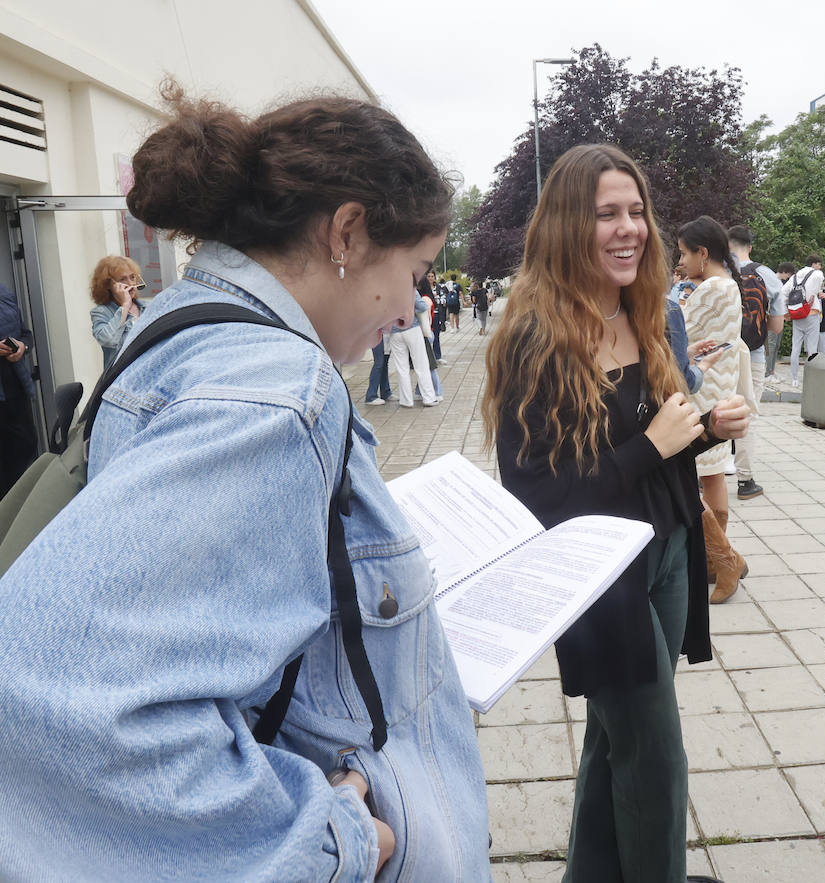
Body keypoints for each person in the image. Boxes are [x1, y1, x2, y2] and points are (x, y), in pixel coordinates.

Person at [0, 83, 489, 880]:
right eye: (418, 271)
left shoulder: (185, 327)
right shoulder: (276, 394)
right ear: (349, 230)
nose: (411, 309)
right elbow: (52, 697)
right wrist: (332, 840)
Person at [481, 144, 745, 883]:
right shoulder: (536, 338)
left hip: (666, 554)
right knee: (655, 755)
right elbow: (536, 497)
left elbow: (662, 432)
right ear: (569, 225)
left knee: (613, 742)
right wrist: (650, 447)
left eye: (636, 211)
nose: (629, 228)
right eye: (606, 214)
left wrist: (704, 427)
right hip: (599, 578)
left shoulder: (647, 311)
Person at [678, 215, 759, 602]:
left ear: (702, 253)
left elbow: (676, 331)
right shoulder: (727, 284)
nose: (681, 261)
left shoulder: (711, 287)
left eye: (683, 253)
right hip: (719, 385)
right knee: (711, 477)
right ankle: (717, 559)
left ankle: (723, 558)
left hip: (702, 389)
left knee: (682, 478)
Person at [725, 225, 777, 500]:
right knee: (747, 414)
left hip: (718, 353)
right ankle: (746, 482)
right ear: (750, 247)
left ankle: (703, 475)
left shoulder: (716, 270)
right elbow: (777, 326)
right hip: (753, 353)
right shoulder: (765, 274)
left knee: (714, 408)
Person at [0, 282, 38, 495]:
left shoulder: (4, 293)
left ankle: (20, 517)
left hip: (15, 391)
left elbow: (26, 334)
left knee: (25, 450)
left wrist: (23, 346)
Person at [88, 255, 149, 370]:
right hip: (122, 376)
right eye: (123, 279)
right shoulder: (101, 312)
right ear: (108, 285)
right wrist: (125, 306)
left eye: (132, 277)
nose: (131, 284)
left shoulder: (148, 307)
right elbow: (108, 340)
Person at [391, 287, 439, 408]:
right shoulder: (409, 287)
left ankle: (406, 400)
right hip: (412, 328)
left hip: (394, 331)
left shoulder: (386, 288)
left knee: (402, 368)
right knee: (421, 365)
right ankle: (428, 398)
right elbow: (422, 306)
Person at [787, 255, 825, 387]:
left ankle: (794, 379)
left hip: (797, 315)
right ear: (814, 264)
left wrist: (787, 309)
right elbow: (820, 278)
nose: (820, 267)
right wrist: (816, 290)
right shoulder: (816, 274)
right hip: (812, 315)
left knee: (795, 348)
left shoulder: (794, 277)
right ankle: (811, 378)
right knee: (812, 348)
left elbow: (783, 292)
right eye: (819, 264)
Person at [764, 262, 794, 383]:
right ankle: (767, 373)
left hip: (779, 317)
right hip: (772, 317)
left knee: (775, 345)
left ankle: (771, 371)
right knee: (771, 345)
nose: (788, 278)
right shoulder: (772, 281)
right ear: (785, 272)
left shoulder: (780, 283)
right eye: (789, 275)